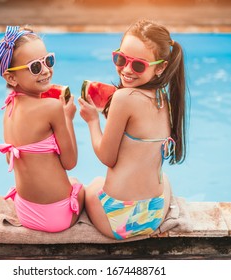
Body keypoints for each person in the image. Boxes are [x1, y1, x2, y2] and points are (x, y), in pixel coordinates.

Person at [78, 19, 188, 240]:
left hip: (118, 221)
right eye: (121, 59)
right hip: (154, 215)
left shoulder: (122, 97)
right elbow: (135, 130)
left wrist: (92, 121)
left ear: (161, 67)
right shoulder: (163, 97)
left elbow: (107, 157)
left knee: (90, 188)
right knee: (164, 179)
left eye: (138, 65)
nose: (126, 70)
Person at [0, 25, 84, 233]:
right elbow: (70, 162)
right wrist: (68, 118)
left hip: (25, 212)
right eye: (35, 67)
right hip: (56, 217)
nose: (45, 70)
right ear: (11, 77)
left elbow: (11, 159)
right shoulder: (53, 108)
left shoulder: (8, 106)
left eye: (48, 60)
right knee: (80, 186)